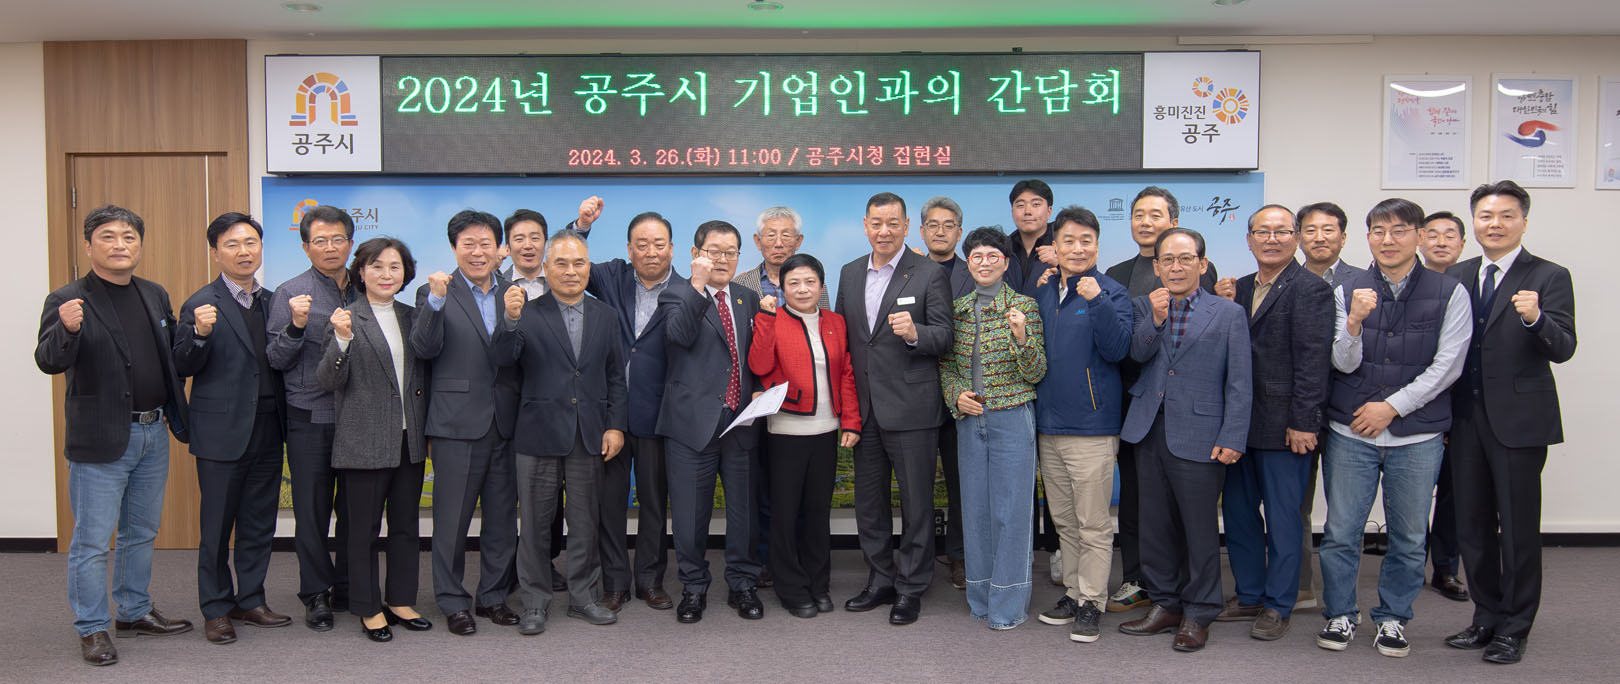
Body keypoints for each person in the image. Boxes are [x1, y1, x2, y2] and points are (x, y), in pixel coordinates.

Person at [36, 205, 194, 666]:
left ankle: (133, 611)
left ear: (139, 245)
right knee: (91, 541)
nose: (120, 244)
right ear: (89, 246)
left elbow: (169, 356)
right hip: (101, 438)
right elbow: (48, 360)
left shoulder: (153, 293)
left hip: (153, 432)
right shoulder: (68, 298)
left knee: (141, 532)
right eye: (108, 236)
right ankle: (92, 627)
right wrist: (67, 329)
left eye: (129, 236)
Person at [1314, 198, 1471, 659]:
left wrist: (1392, 407)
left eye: (1399, 230)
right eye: (1378, 231)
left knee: (1409, 536)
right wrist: (1354, 322)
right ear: (1367, 238)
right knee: (1341, 532)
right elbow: (1341, 362)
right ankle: (1340, 613)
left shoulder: (1450, 291)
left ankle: (1393, 618)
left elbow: (1449, 365)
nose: (1388, 240)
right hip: (1351, 432)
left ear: (1419, 236)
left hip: (1417, 436)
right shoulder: (1348, 289)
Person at [1443, 181, 1576, 665]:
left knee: (1517, 530)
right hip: (1464, 419)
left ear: (1523, 221)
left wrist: (1537, 318)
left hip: (1519, 422)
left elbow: (1564, 348)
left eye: (1505, 216)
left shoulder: (1549, 274)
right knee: (1471, 527)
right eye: (1485, 216)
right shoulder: (1457, 274)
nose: (1494, 224)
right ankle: (1486, 617)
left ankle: (1515, 628)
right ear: (1473, 222)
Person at [1116, 227, 1251, 653]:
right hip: (1148, 429)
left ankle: (1199, 611)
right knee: (1153, 526)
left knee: (1198, 530)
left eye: (1185, 259)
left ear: (1202, 264)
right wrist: (1155, 319)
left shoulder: (1228, 313)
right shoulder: (1144, 306)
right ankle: (1165, 604)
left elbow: (1240, 381)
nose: (1176, 267)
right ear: (1156, 267)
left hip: (1202, 433)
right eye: (1167, 260)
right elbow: (1135, 355)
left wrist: (1233, 435)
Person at [1210, 205, 1334, 641]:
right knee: (1239, 515)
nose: (1272, 239)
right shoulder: (1238, 288)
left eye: (1282, 231)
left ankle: (1279, 604)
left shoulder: (1312, 288)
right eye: (1262, 232)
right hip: (1238, 425)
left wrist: (1304, 422)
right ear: (1248, 240)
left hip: (1286, 428)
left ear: (1296, 238)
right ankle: (1249, 595)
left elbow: (1314, 364)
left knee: (1284, 519)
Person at [495, 229, 627, 635]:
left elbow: (615, 377)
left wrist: (615, 425)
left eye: (579, 263)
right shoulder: (526, 312)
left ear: (589, 267)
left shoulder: (606, 315)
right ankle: (535, 603)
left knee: (585, 522)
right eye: (562, 263)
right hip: (537, 434)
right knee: (535, 525)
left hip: (589, 434)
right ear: (547, 268)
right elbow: (503, 360)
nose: (571, 271)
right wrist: (509, 321)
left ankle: (584, 598)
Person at [173, 212, 292, 645]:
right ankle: (216, 608)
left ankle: (251, 599)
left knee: (259, 523)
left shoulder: (275, 301)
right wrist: (200, 334)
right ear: (215, 253)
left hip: (268, 427)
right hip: (221, 432)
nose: (244, 252)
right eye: (232, 244)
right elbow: (181, 365)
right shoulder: (201, 303)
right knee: (217, 527)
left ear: (261, 248)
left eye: (250, 243)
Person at [835, 192, 953, 626]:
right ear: (865, 225)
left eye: (892, 223)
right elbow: (845, 342)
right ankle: (880, 578)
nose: (884, 231)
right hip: (864, 411)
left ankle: (912, 586)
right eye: (876, 223)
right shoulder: (849, 272)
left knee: (917, 504)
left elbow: (946, 336)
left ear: (905, 227)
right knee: (869, 504)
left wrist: (915, 333)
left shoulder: (928, 272)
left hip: (912, 408)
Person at [1103, 186, 1221, 613]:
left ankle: (1186, 587)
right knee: (1138, 500)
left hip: (1185, 409)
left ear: (1173, 221)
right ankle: (1138, 578)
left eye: (1155, 214)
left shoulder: (1198, 268)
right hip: (1132, 403)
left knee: (1185, 504)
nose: (1145, 222)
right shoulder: (1116, 272)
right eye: (1138, 214)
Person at [316, 236, 432, 643]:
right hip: (363, 441)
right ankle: (368, 607)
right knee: (363, 530)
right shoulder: (346, 317)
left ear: (406, 273)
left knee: (406, 526)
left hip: (408, 438)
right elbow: (328, 380)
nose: (386, 274)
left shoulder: (413, 316)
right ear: (361, 272)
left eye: (395, 267)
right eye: (377, 266)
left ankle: (400, 600)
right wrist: (342, 339)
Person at [412, 210, 521, 636]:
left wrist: (513, 321)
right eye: (468, 244)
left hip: (506, 423)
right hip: (455, 424)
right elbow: (424, 348)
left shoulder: (512, 292)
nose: (478, 252)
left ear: (499, 249)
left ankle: (493, 596)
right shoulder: (434, 292)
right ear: (454, 248)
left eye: (485, 244)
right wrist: (436, 303)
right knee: (451, 521)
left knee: (502, 521)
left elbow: (513, 357)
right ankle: (452, 600)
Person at [1030, 206, 1132, 643]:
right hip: (1048, 426)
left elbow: (1118, 349)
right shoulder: (1045, 291)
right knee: (1065, 522)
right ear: (1055, 246)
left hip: (1092, 428)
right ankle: (1073, 593)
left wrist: (1097, 301)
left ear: (1097, 246)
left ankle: (1092, 600)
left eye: (1085, 241)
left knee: (1093, 523)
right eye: (1068, 240)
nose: (1077, 248)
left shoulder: (1111, 292)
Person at [657, 220, 765, 623]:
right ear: (695, 253)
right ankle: (693, 587)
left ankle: (742, 583)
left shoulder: (747, 297)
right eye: (714, 251)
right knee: (690, 516)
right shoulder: (676, 293)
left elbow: (755, 355)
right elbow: (679, 336)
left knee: (743, 513)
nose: (723, 259)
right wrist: (698, 287)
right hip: (691, 424)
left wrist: (759, 388)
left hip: (740, 422)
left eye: (730, 252)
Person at [941, 227, 1048, 630]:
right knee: (976, 512)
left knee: (1012, 513)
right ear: (968, 262)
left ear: (1005, 263)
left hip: (1013, 418)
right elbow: (946, 367)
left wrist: (1021, 337)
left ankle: (1008, 605)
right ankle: (981, 599)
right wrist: (956, 396)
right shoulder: (957, 309)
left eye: (992, 256)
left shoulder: (1025, 307)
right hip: (971, 421)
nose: (984, 262)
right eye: (976, 256)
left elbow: (1036, 373)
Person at [747, 253, 861, 618]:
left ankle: (817, 583)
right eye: (793, 283)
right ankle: (791, 587)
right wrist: (766, 320)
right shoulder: (771, 318)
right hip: (786, 430)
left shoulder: (836, 322)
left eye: (810, 282)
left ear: (821, 287)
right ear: (781, 288)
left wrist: (851, 421)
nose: (802, 289)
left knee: (816, 513)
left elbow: (846, 374)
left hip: (826, 430)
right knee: (784, 514)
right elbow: (759, 365)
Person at [581, 211, 684, 612]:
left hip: (658, 414)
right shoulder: (611, 276)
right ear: (629, 249)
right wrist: (581, 227)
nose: (651, 252)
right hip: (610, 415)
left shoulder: (687, 289)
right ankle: (615, 582)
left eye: (659, 244)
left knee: (655, 503)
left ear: (671, 248)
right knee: (609, 504)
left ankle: (650, 580)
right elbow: (571, 261)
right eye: (642, 245)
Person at [266, 204, 356, 630]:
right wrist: (297, 326)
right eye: (320, 240)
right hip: (310, 416)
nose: (330, 247)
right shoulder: (290, 293)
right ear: (306, 247)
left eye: (338, 239)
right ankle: (316, 593)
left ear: (351, 243)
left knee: (355, 510)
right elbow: (276, 358)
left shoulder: (367, 286)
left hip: (358, 417)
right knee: (312, 512)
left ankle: (349, 586)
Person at [1292, 201, 1363, 610]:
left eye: (1328, 230)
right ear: (1299, 236)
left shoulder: (1364, 282)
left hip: (1347, 413)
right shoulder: (1285, 280)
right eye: (1311, 230)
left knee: (1344, 511)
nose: (1319, 238)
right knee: (1295, 505)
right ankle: (1301, 585)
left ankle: (1342, 598)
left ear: (1343, 236)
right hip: (1298, 413)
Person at [500, 208, 569, 596]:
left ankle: (545, 561)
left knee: (548, 492)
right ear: (507, 246)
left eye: (535, 238)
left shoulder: (561, 282)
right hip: (502, 401)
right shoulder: (492, 284)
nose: (527, 245)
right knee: (505, 490)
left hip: (549, 406)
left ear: (545, 244)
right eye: (519, 239)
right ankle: (506, 564)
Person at [918, 196, 971, 589]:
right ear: (921, 232)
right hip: (916, 391)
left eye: (948, 225)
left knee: (961, 481)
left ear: (959, 232)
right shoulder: (907, 272)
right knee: (916, 483)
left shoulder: (977, 271)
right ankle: (917, 557)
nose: (940, 231)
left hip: (963, 395)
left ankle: (960, 555)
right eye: (933, 225)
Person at [1419, 209, 1470, 603]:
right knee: (1411, 494)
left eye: (1449, 235)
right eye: (1432, 234)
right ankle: (1411, 561)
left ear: (1463, 244)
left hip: (1462, 407)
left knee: (1453, 492)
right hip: (1413, 407)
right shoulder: (1405, 282)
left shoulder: (1472, 286)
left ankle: (1446, 569)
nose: (1440, 242)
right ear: (1419, 240)